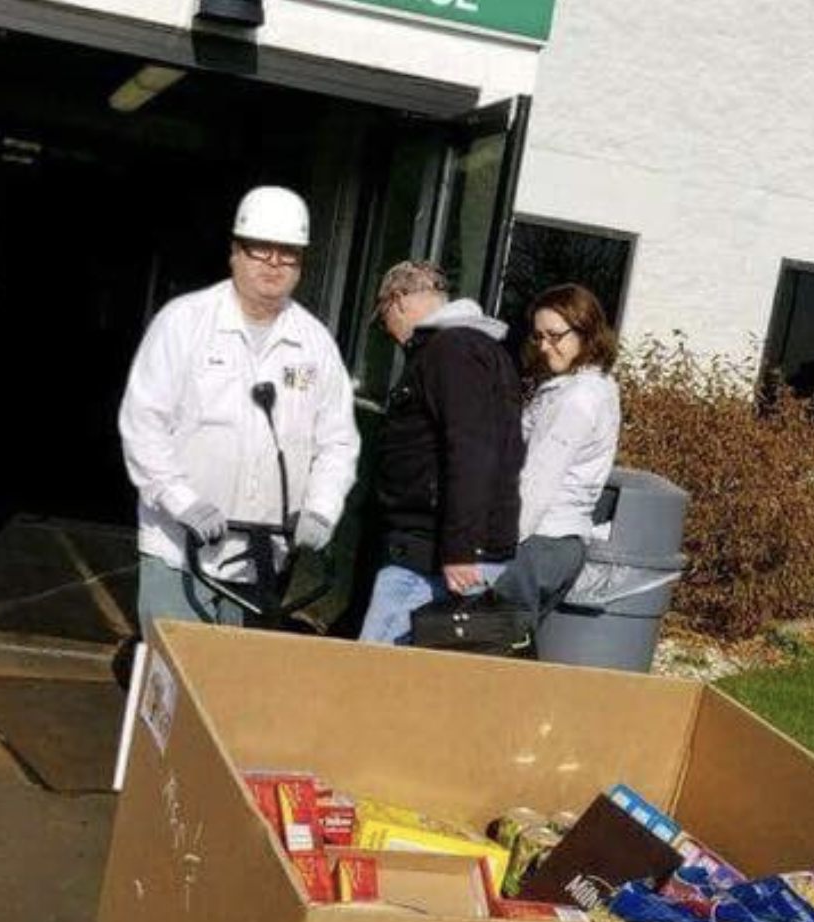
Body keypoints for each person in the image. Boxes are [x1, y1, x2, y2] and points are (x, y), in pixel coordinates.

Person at [118, 186, 359, 636]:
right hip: (180, 547)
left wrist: (322, 508)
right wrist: (179, 500)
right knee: (171, 677)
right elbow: (143, 424)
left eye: (288, 253)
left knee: (230, 687)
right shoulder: (185, 323)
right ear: (235, 252)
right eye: (260, 249)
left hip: (262, 558)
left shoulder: (314, 343)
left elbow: (338, 441)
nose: (273, 263)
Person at [356, 261, 524, 643]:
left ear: (396, 301)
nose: (390, 333)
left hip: (431, 555)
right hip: (445, 549)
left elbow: (472, 452)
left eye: (384, 319)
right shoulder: (476, 349)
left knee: (368, 678)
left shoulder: (451, 351)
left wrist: (460, 549)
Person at [494, 283, 621, 628]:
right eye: (538, 337)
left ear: (586, 331)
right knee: (504, 651)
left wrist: (495, 549)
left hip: (537, 541)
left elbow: (538, 481)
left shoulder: (576, 399)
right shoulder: (595, 387)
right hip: (559, 545)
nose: (545, 346)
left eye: (555, 335)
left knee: (487, 655)